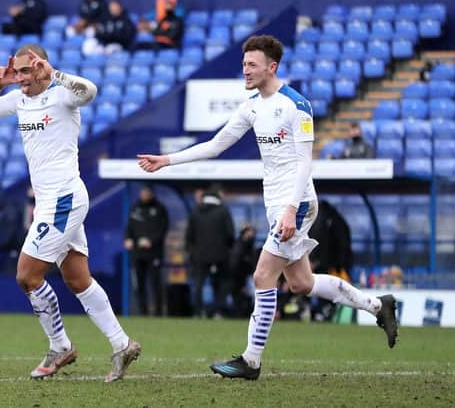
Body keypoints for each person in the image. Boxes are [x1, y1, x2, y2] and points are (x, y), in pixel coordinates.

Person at [137, 34, 398, 380]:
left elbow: (306, 163)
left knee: (262, 276)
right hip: (277, 205)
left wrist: (290, 209)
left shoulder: (295, 105)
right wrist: (166, 160)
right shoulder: (252, 106)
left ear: (271, 67)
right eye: (244, 64)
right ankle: (379, 306)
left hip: (297, 202)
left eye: (252, 65)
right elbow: (216, 145)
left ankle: (251, 361)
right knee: (301, 283)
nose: (245, 70)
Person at [0, 43, 141, 382]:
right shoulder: (18, 99)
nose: (21, 78)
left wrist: (56, 73)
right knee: (77, 279)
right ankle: (121, 344)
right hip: (50, 202)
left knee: (26, 276)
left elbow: (90, 91)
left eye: (25, 71)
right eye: (16, 71)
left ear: (39, 67)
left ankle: (60, 345)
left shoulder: (63, 95)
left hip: (64, 198)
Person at [185, 187, 234, 318]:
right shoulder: (223, 211)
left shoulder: (195, 212)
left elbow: (189, 236)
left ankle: (197, 312)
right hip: (220, 255)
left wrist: (193, 252)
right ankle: (218, 311)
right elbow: (230, 234)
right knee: (220, 283)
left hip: (199, 256)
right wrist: (227, 248)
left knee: (199, 284)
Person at [124, 185, 168, 316]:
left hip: (154, 253)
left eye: (147, 192)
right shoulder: (135, 208)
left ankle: (158, 312)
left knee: (155, 283)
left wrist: (151, 241)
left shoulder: (159, 209)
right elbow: (129, 227)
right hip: (137, 253)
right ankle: (143, 312)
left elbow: (163, 229)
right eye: (143, 192)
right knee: (139, 284)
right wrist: (128, 239)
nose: (144, 195)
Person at [228, 224, 258, 318]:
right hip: (237, 278)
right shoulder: (239, 246)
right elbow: (235, 264)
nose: (251, 235)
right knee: (238, 297)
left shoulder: (247, 246)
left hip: (244, 277)